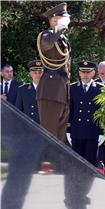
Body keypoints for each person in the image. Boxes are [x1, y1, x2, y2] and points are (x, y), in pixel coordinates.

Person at [36, 3, 71, 141]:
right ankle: (46, 163)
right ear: (54, 19)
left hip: (62, 90)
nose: (67, 22)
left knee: (59, 137)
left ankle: (55, 163)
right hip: (50, 90)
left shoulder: (62, 39)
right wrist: (61, 27)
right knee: (49, 135)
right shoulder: (45, 36)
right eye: (64, 19)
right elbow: (48, 43)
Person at [67, 61, 104, 167]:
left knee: (91, 164)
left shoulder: (100, 89)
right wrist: (68, 130)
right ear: (79, 73)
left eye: (88, 72)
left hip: (92, 132)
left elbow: (101, 112)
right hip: (77, 131)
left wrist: (102, 132)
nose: (85, 75)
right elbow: (70, 110)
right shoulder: (72, 88)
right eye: (83, 72)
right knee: (76, 164)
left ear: (93, 73)